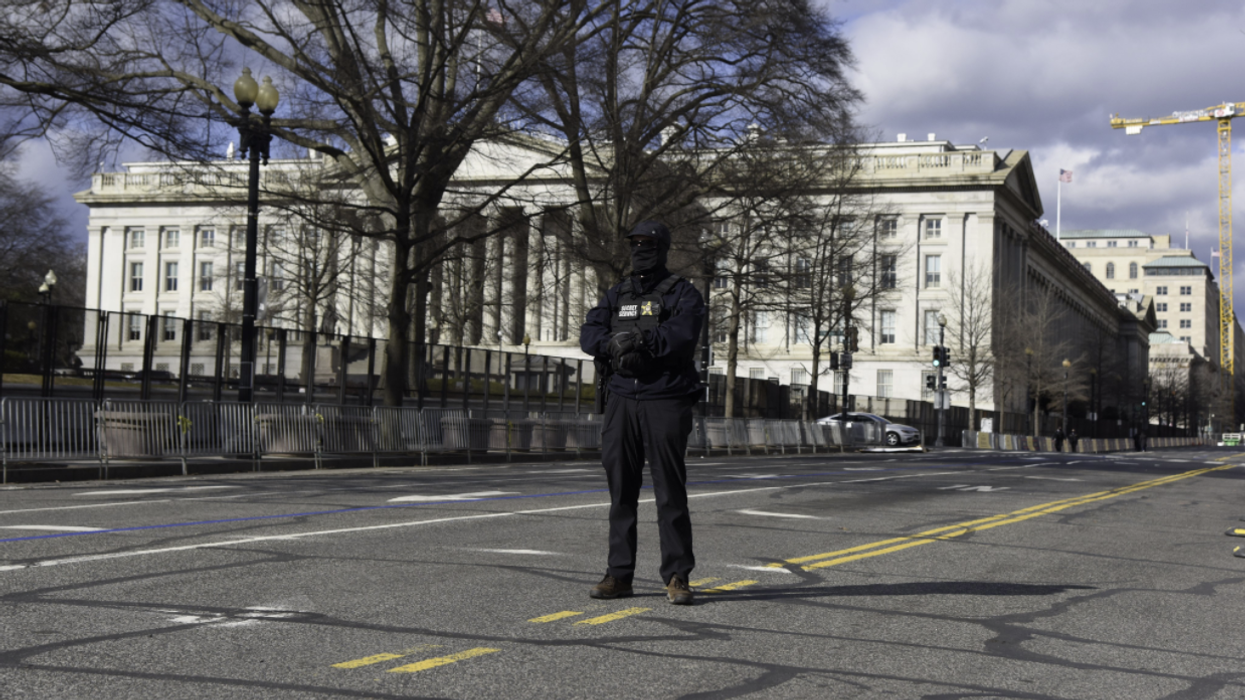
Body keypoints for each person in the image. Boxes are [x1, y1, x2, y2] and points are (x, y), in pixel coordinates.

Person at [579, 221, 705, 606]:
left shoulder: (684, 294)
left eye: (647, 244)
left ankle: (678, 576)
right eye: (634, 243)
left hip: (665, 398)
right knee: (621, 492)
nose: (639, 249)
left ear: (663, 248)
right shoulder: (616, 293)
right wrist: (612, 342)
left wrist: (641, 339)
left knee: (669, 492)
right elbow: (589, 334)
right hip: (621, 397)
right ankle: (618, 575)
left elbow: (681, 337)